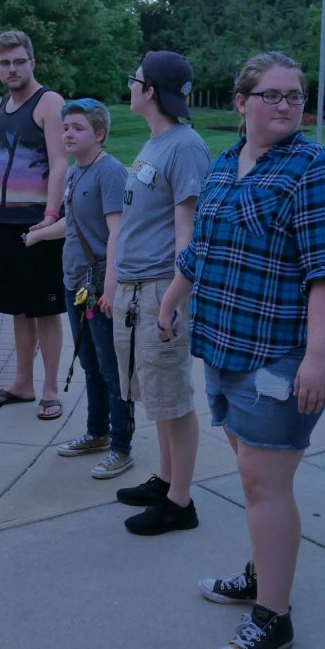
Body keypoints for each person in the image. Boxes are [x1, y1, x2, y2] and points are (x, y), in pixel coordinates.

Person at [158, 50, 325, 649]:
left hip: (282, 355)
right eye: (271, 94)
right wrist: (170, 300)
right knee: (251, 471)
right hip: (223, 347)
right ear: (241, 102)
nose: (286, 105)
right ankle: (261, 572)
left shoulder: (316, 171)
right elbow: (201, 250)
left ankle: (273, 617)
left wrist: (318, 358)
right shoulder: (224, 166)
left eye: (295, 95)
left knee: (264, 484)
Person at [112, 51, 210, 534]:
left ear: (150, 91)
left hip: (159, 289)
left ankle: (180, 503)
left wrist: (173, 299)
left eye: (135, 80)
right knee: (155, 392)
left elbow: (186, 230)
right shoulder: (156, 142)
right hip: (135, 288)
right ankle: (167, 479)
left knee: (173, 395)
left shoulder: (185, 146)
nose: (129, 86)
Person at [25, 99, 134, 478]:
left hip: (99, 284)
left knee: (111, 367)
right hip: (76, 283)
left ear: (99, 134)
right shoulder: (75, 173)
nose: (67, 134)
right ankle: (96, 433)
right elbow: (72, 228)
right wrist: (40, 234)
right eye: (65, 127)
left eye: (77, 128)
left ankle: (121, 446)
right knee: (89, 362)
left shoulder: (110, 173)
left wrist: (110, 287)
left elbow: (117, 232)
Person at [0, 30, 66, 419]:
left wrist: (49, 217)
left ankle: (49, 388)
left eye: (18, 61)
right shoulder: (1, 105)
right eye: (4, 63)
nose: (11, 69)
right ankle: (22, 382)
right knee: (17, 309)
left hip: (38, 224)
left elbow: (61, 163)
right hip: (7, 223)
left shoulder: (49, 103)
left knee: (45, 309)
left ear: (32, 62)